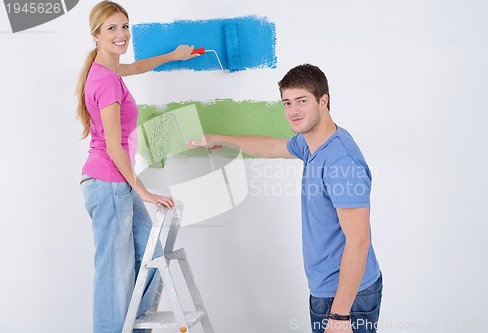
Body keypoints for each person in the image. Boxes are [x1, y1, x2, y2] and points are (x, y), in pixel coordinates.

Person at [194, 64, 382, 333]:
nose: (293, 111)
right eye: (287, 103)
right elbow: (271, 147)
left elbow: (359, 242)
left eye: (302, 101)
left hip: (347, 299)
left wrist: (339, 316)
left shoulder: (342, 162)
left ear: (323, 100)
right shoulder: (313, 143)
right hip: (328, 291)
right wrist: (219, 139)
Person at [75, 1, 198, 332]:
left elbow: (138, 67)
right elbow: (114, 147)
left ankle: (130, 326)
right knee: (115, 275)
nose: (121, 34)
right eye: (112, 28)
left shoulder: (109, 70)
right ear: (96, 35)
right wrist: (144, 191)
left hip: (117, 185)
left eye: (124, 26)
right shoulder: (105, 80)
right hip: (109, 183)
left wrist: (173, 56)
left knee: (152, 257)